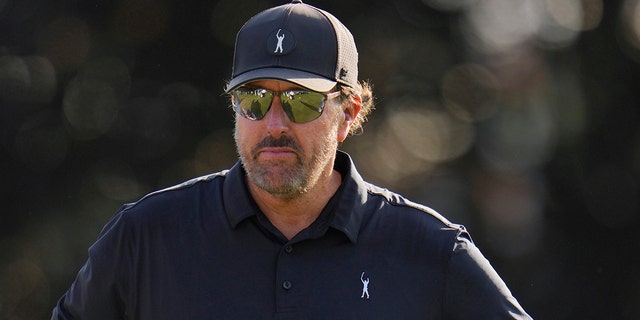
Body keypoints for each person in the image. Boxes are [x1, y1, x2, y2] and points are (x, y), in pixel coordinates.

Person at [52, 1, 532, 319]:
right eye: (255, 99)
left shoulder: (429, 253)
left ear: (349, 114)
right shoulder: (146, 237)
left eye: (301, 101)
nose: (274, 123)